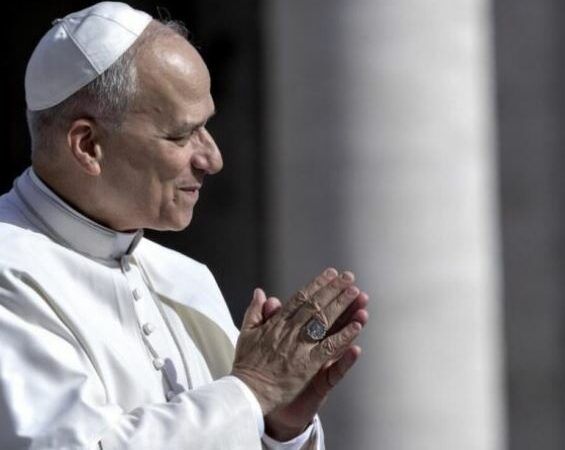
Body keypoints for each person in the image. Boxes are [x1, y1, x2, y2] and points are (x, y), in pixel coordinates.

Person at [0, 2, 369, 449]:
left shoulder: (183, 276)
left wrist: (279, 430)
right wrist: (252, 390)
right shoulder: (9, 270)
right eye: (181, 135)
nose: (212, 159)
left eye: (206, 126)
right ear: (88, 144)